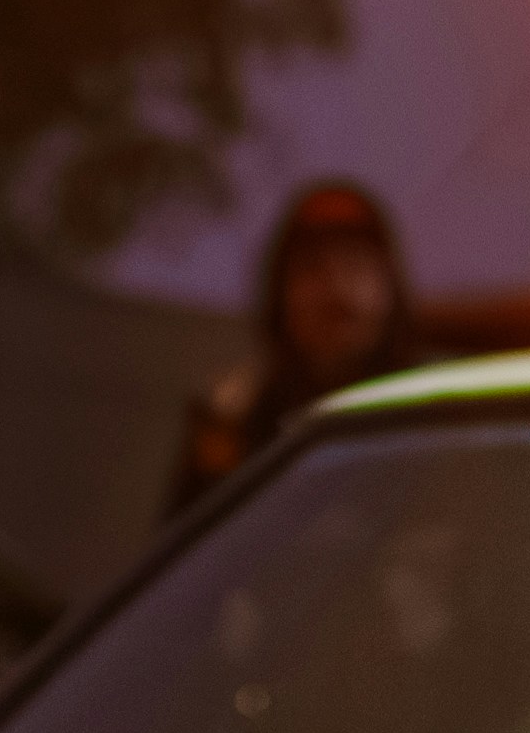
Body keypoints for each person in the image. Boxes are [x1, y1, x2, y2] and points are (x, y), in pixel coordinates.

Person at [161, 175, 425, 520]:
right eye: (312, 268)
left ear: (392, 287)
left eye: (357, 263)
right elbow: (196, 549)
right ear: (279, 295)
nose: (337, 287)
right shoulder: (239, 419)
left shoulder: (431, 410)